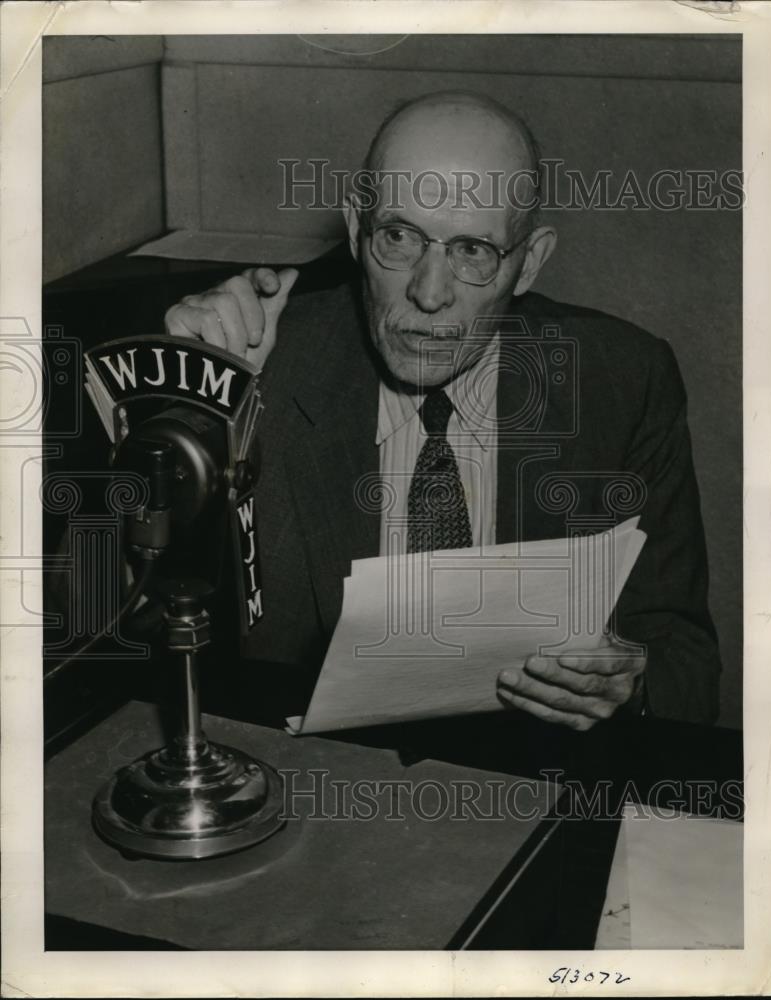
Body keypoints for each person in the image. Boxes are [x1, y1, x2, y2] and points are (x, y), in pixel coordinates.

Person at [165, 91, 721, 729]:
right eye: (399, 237)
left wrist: (632, 682)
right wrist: (182, 399)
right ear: (357, 231)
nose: (429, 294)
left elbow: (686, 664)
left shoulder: (622, 381)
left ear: (529, 263)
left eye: (472, 250)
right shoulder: (264, 365)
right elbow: (121, 616)